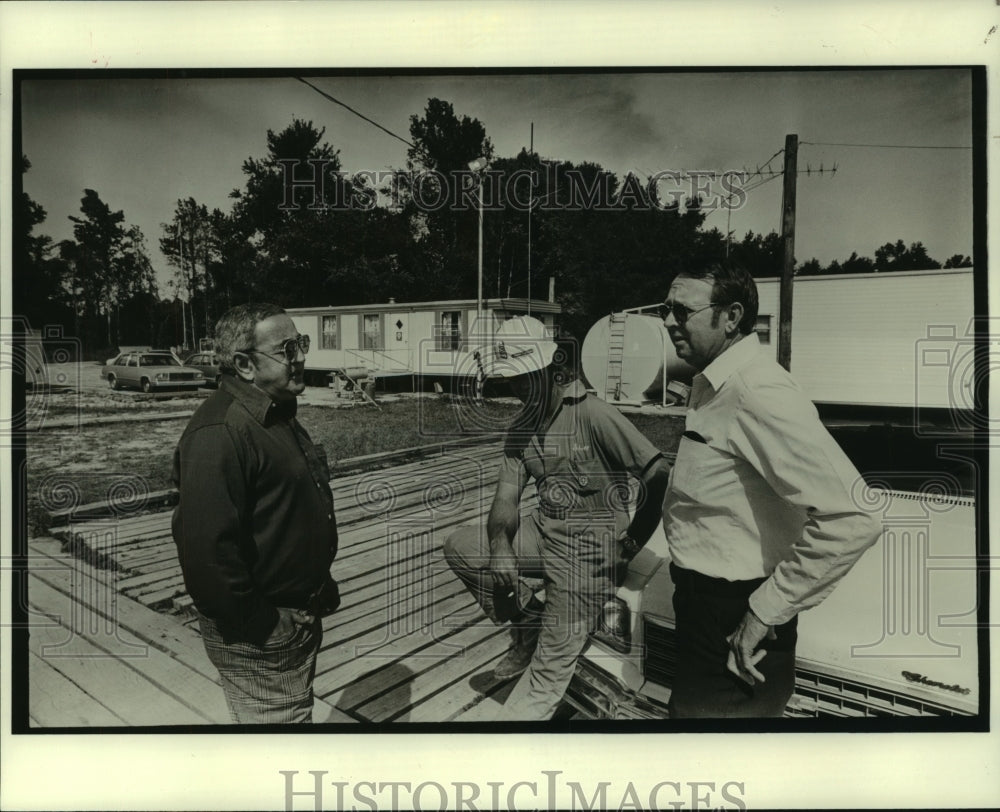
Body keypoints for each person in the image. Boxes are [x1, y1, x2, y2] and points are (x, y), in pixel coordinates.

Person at [660, 260, 881, 718]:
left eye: (681, 312)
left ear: (732, 316)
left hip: (734, 618)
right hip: (704, 609)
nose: (668, 322)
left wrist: (763, 611)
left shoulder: (756, 390)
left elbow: (856, 516)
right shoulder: (715, 384)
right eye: (667, 309)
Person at [444, 316, 671, 721]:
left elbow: (657, 472)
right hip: (543, 535)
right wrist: (499, 548)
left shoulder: (593, 415)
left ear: (550, 369)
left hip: (588, 558)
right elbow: (506, 499)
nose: (517, 389)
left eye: (525, 378)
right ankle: (529, 624)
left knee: (543, 680)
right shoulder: (522, 429)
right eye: (510, 380)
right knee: (463, 546)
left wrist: (632, 541)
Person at [171, 303, 340, 724]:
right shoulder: (221, 432)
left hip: (294, 621)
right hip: (261, 636)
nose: (301, 356)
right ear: (244, 364)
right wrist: (264, 624)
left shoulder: (272, 412)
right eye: (287, 348)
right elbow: (207, 559)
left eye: (301, 343)